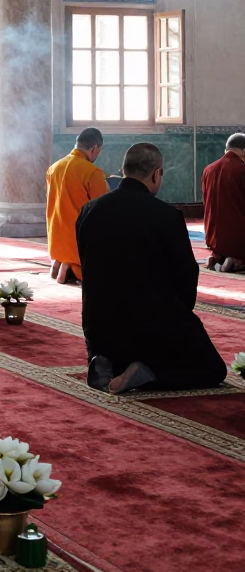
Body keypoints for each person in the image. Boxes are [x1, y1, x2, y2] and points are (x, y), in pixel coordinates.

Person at [77, 142, 227, 395]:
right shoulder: (166, 215)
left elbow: (87, 266)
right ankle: (148, 374)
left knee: (119, 336)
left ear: (123, 170)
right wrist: (180, 314)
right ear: (157, 173)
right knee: (212, 370)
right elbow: (186, 274)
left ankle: (106, 360)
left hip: (100, 326)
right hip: (151, 325)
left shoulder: (90, 210)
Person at [46, 127, 108, 284]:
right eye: (98, 151)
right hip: (80, 245)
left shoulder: (54, 168)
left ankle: (62, 263)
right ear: (94, 148)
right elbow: (102, 210)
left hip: (57, 242)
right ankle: (73, 266)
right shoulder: (92, 171)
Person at [201, 134, 245, 273]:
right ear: (244, 151)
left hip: (213, 238)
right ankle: (236, 260)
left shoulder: (208, 170)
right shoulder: (242, 169)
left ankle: (217, 258)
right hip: (238, 240)